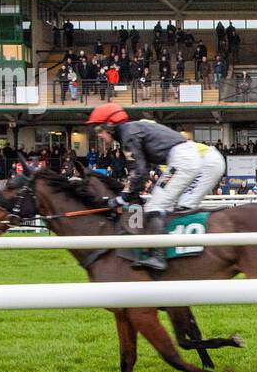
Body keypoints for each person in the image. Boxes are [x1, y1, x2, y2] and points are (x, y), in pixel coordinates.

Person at [85, 104, 226, 272]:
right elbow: (138, 171)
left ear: (110, 125)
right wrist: (127, 195)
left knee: (156, 205)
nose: (99, 135)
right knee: (172, 204)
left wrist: (121, 198)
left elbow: (139, 172)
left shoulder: (128, 135)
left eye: (99, 130)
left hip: (184, 159)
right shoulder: (130, 131)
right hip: (186, 157)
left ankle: (158, 256)